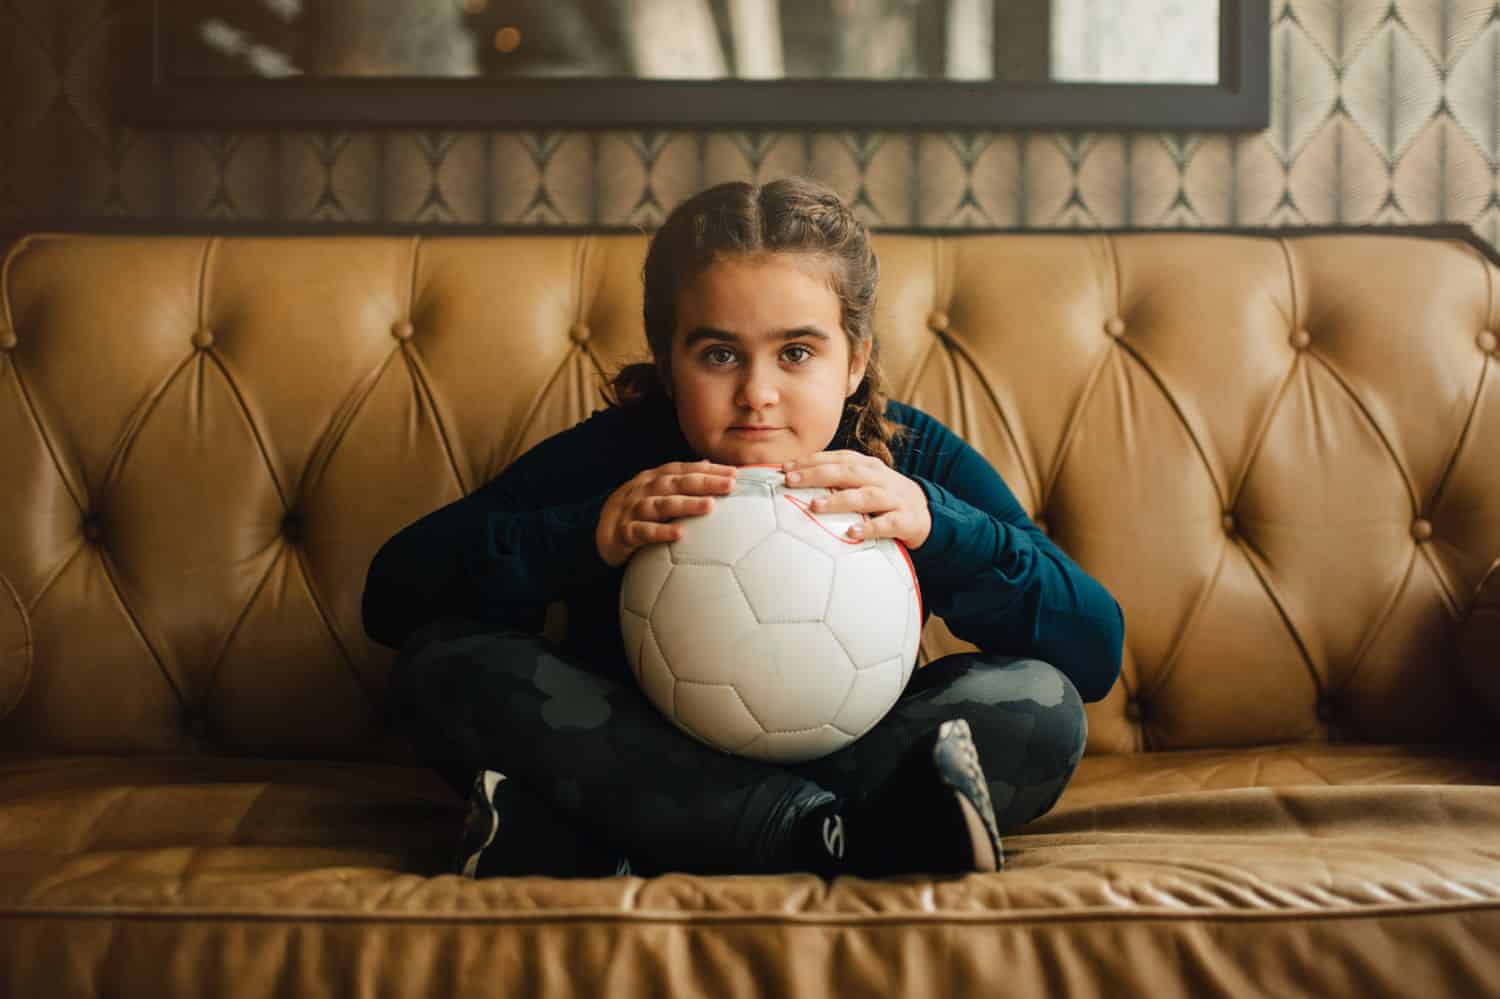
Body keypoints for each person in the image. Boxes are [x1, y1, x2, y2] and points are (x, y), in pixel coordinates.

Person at [361, 176, 1124, 881]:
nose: (757, 394)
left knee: (1041, 701)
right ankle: (825, 837)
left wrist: (944, 528)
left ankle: (617, 839)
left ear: (855, 359)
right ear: (667, 360)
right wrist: (584, 534)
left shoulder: (908, 457)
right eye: (720, 353)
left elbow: (1095, 647)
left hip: (838, 753)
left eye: (797, 352)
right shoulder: (619, 454)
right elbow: (393, 594)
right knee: (440, 665)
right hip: (627, 750)